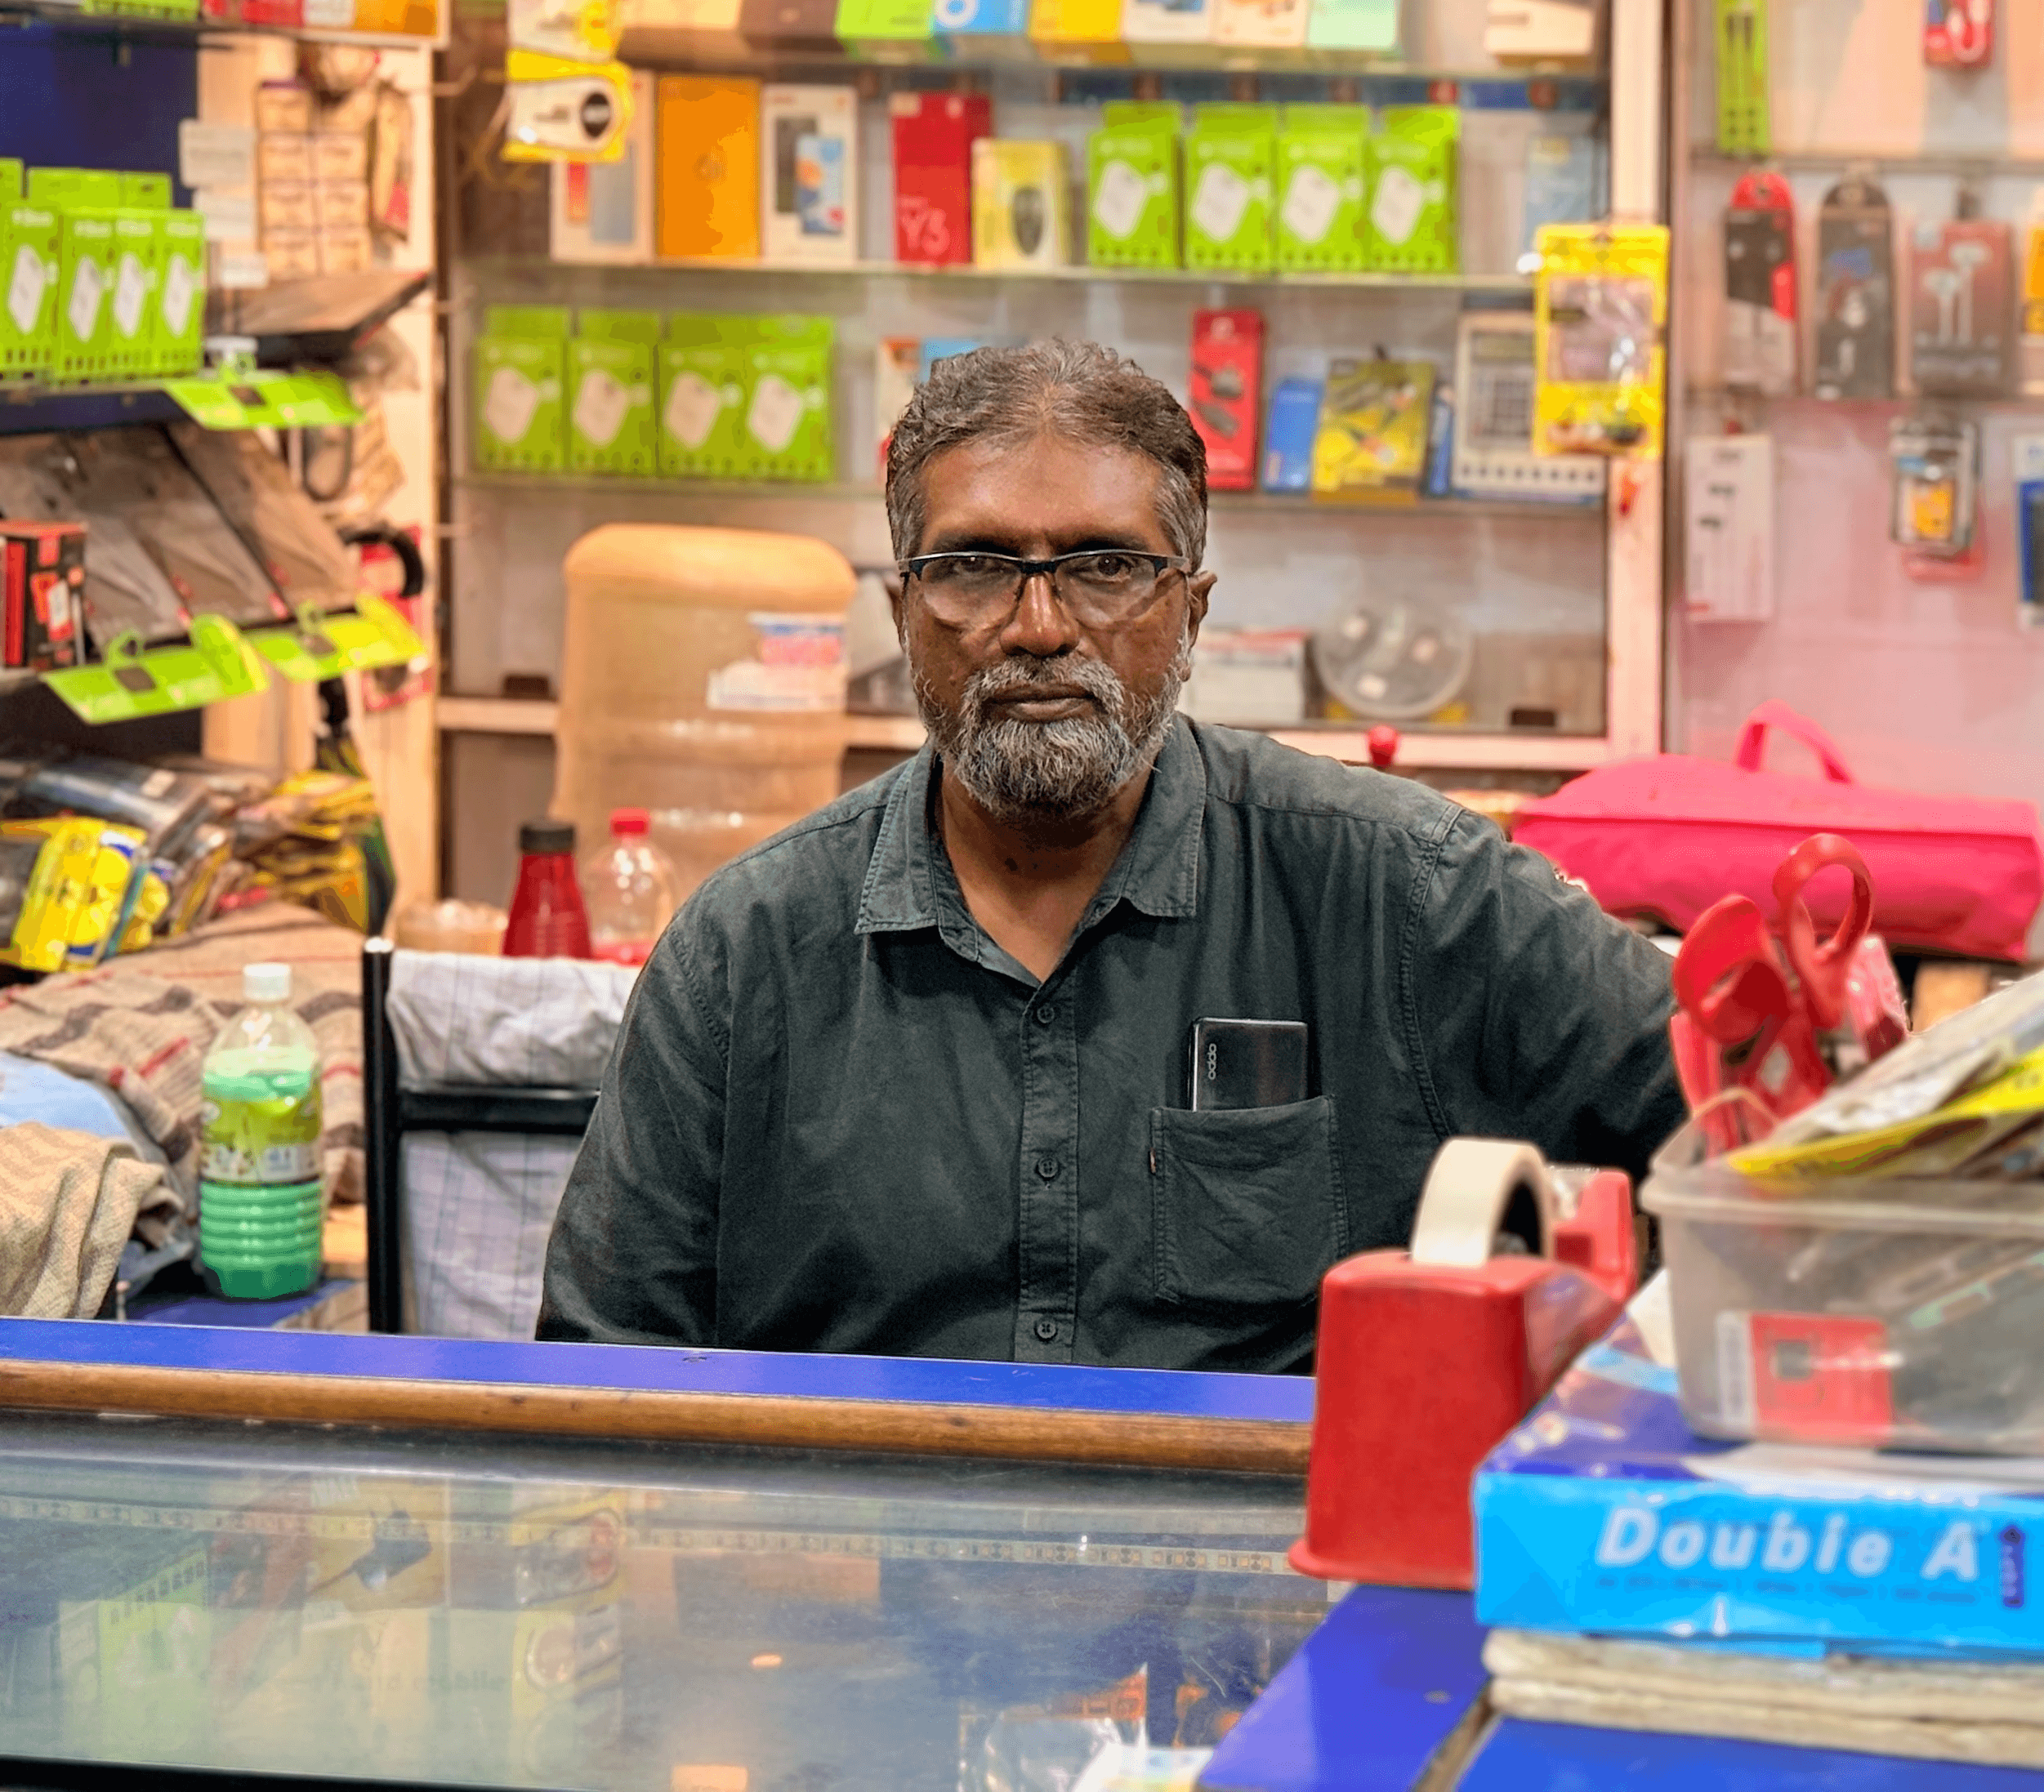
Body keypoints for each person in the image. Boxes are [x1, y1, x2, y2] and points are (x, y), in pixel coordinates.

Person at [537, 339, 1683, 1371]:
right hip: (852, 1585)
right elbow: (599, 1367)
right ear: (903, 612)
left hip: (1276, 1594)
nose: (1038, 626)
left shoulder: (1405, 892)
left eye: (1104, 566)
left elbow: (1755, 1148)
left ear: (1190, 611)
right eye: (975, 566)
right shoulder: (746, 953)